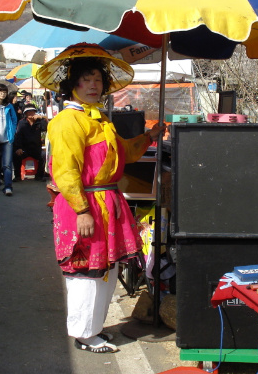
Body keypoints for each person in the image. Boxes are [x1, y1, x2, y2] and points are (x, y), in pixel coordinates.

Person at [36, 43, 165, 354]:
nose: (94, 86)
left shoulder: (100, 120)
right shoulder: (68, 122)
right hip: (84, 205)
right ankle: (83, 332)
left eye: (98, 80)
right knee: (85, 271)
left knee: (105, 270)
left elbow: (124, 152)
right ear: (73, 84)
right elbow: (65, 172)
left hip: (107, 203)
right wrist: (81, 210)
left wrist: (149, 136)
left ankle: (92, 328)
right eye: (87, 79)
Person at [13, 104, 48, 181]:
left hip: (36, 148)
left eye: (32, 112)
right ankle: (17, 176)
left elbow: (46, 127)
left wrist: (41, 118)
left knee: (43, 155)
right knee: (16, 155)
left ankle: (39, 175)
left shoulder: (39, 122)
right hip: (24, 148)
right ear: (25, 113)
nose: (30, 114)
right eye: (28, 112)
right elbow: (18, 136)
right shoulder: (22, 122)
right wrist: (18, 148)